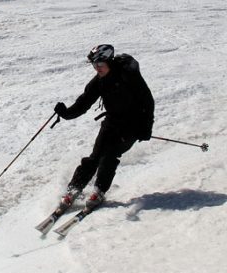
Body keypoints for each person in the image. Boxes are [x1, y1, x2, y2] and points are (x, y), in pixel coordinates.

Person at [53, 44, 154, 208]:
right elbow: (84, 102)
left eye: (100, 65)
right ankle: (73, 190)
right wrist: (66, 113)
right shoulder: (99, 81)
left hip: (133, 124)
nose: (97, 68)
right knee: (95, 157)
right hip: (112, 122)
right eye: (94, 65)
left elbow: (147, 101)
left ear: (109, 61)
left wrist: (146, 127)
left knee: (109, 155)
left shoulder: (128, 75)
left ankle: (99, 191)